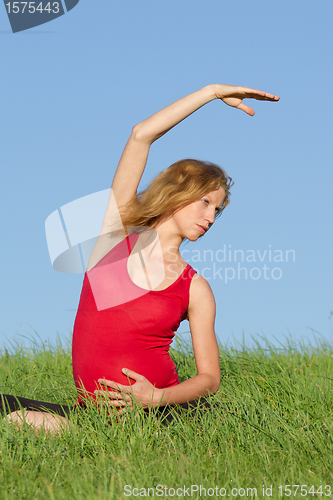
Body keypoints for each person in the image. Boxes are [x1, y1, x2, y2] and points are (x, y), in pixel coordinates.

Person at [1, 84, 279, 432]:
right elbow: (140, 136)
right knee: (11, 414)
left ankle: (109, 435)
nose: (210, 217)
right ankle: (90, 431)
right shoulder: (114, 239)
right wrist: (211, 93)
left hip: (162, 414)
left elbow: (209, 379)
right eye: (205, 202)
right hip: (92, 411)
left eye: (218, 210)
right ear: (179, 193)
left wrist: (153, 398)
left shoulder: (195, 288)